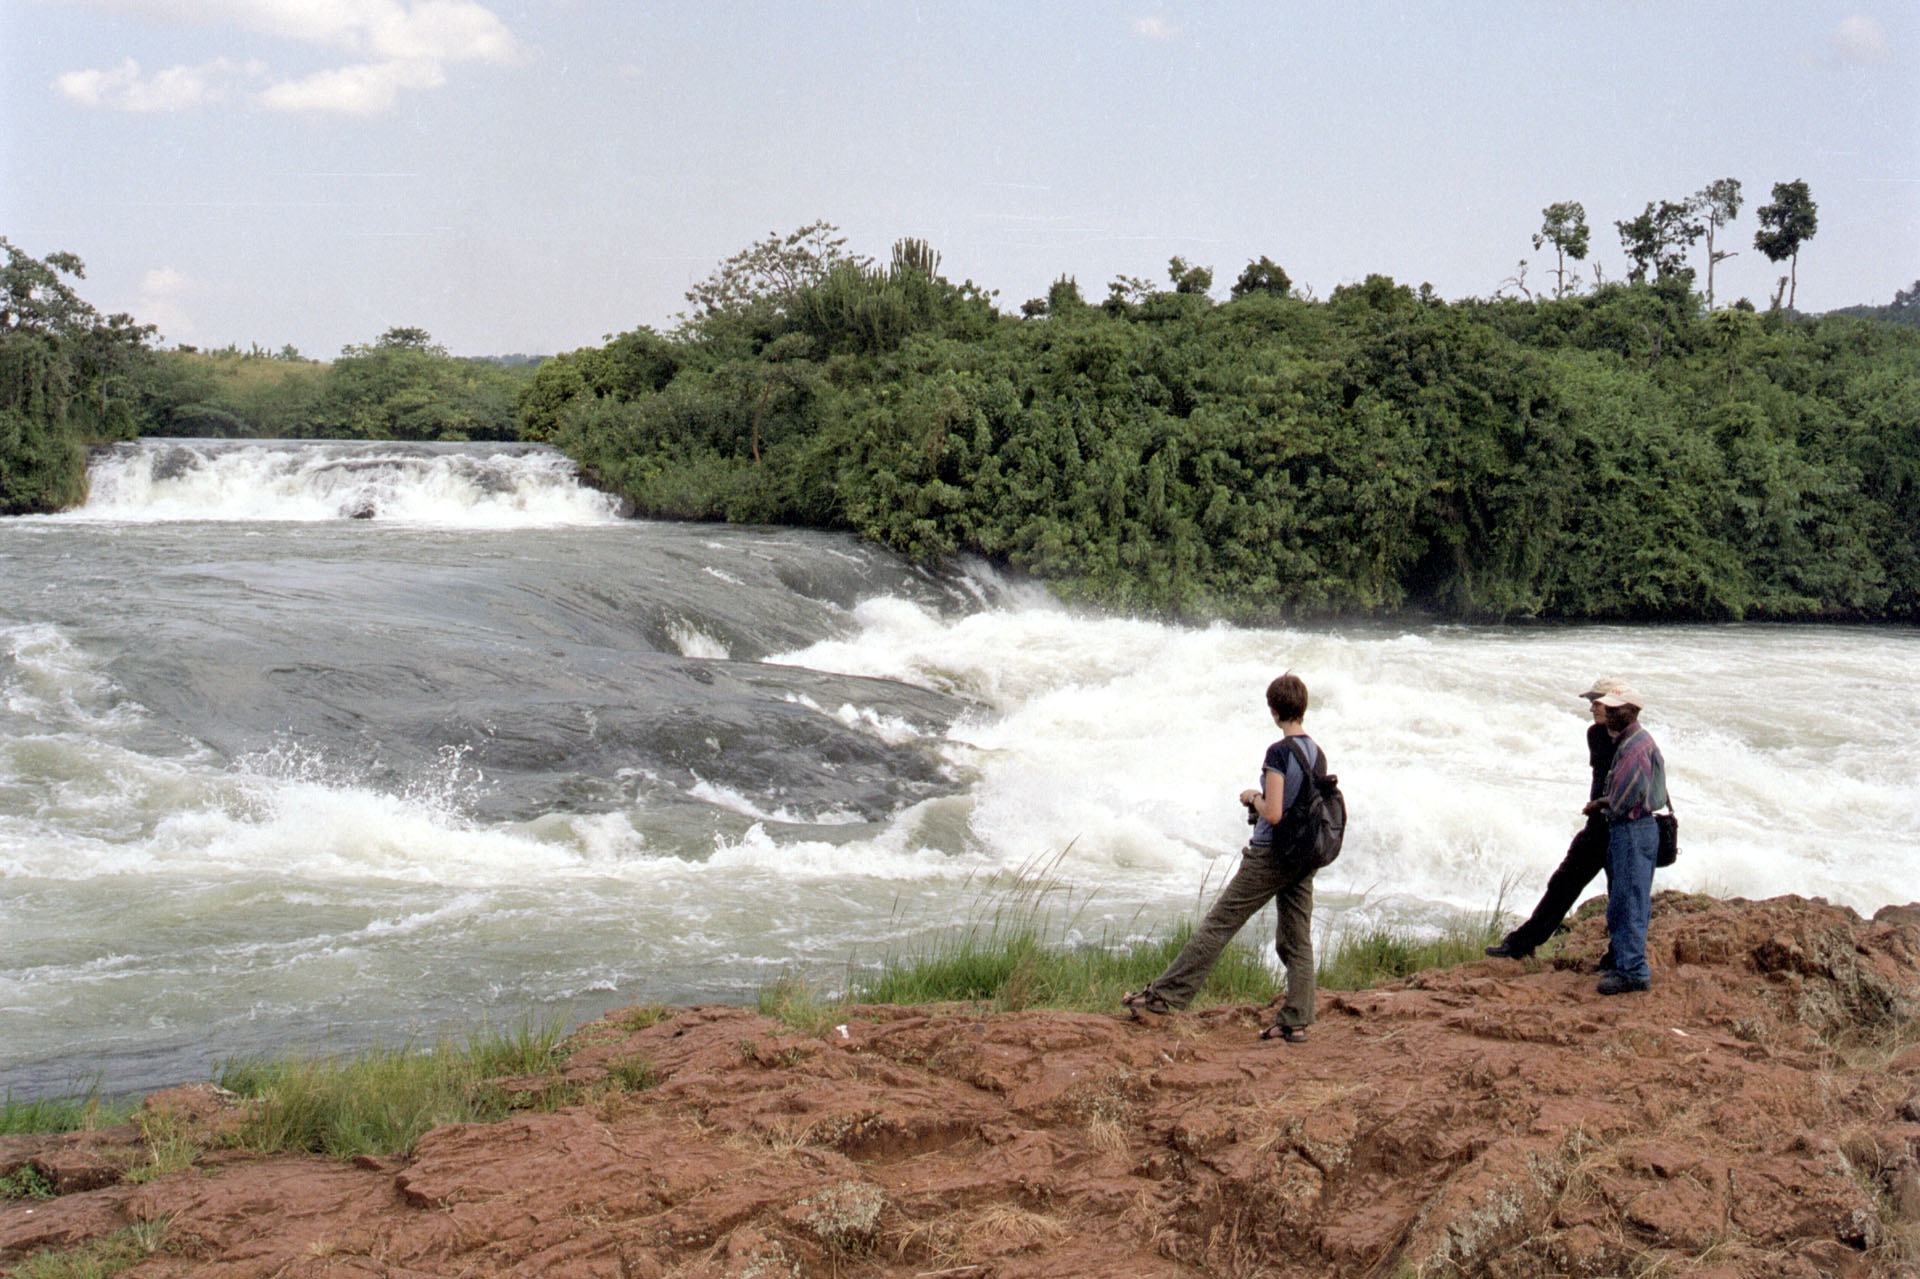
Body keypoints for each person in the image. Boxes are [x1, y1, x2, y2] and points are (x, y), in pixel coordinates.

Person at [1122, 672, 1323, 1043]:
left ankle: (1165, 997)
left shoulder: (1279, 753)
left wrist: (1253, 798)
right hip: (1302, 856)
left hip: (1270, 856)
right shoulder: (1316, 753)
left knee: (1219, 925)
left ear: (1274, 710)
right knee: (1297, 941)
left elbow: (1274, 812)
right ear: (1303, 708)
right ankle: (1296, 1021)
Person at [1485, 677, 1624, 963]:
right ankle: (1523, 943)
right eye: (1591, 703)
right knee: (1563, 884)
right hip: (1600, 826)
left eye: (1597, 702)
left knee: (1619, 895)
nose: (1591, 709)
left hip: (1622, 827)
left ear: (1614, 705)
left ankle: (1618, 956)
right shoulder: (1599, 735)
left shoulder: (1629, 738)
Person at [1588, 685, 1667, 995]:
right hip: (1638, 828)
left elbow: (1625, 799)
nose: (1603, 711)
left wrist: (1604, 804)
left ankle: (1633, 971)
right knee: (1627, 898)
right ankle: (1625, 962)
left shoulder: (1632, 748)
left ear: (1625, 713)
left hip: (1632, 830)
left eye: (1609, 708)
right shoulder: (1635, 740)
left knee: (1629, 901)